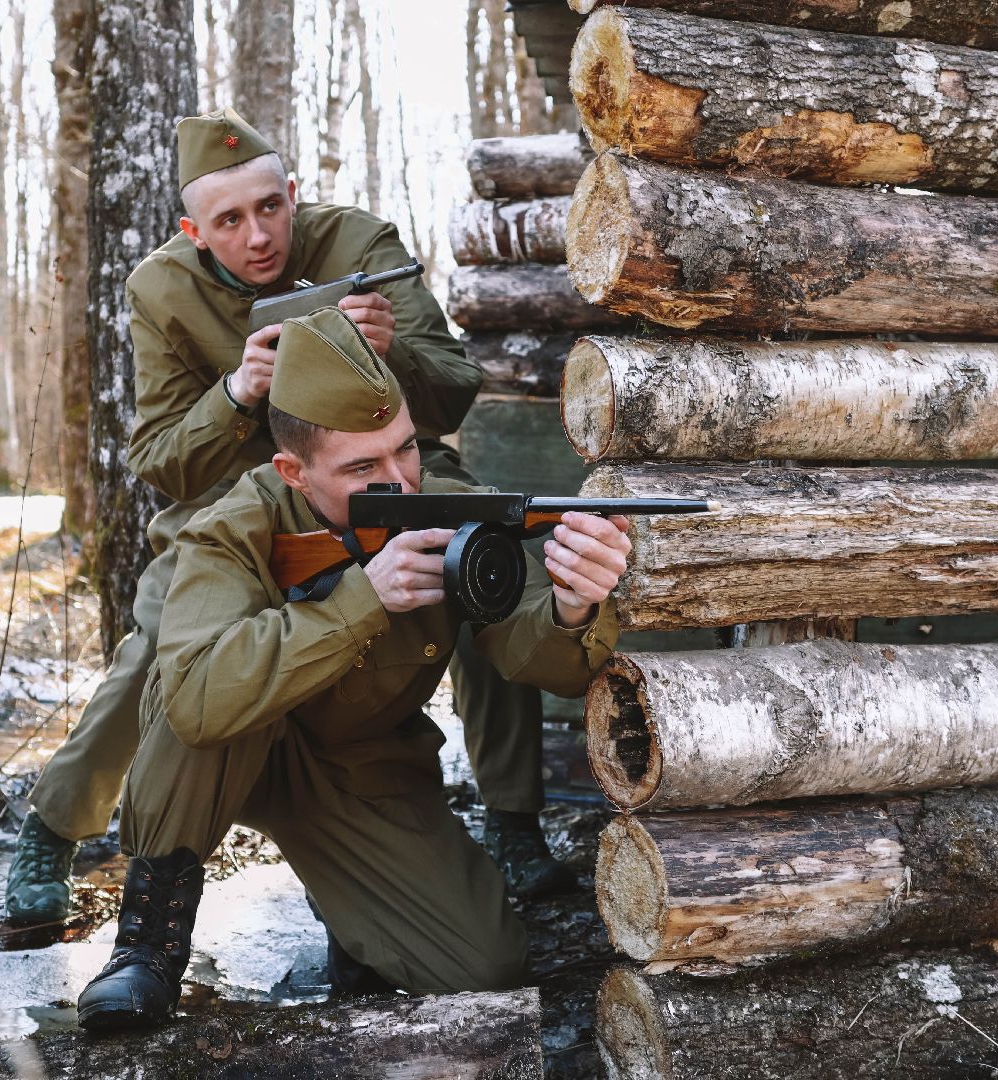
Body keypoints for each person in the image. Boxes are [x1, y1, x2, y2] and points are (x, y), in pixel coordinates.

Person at [5, 107, 573, 926]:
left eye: (270, 208)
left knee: (483, 554)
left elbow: (452, 392)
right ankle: (53, 829)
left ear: (293, 195)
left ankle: (515, 824)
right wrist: (237, 394)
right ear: (193, 230)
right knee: (165, 637)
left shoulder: (360, 245)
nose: (258, 235)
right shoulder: (161, 290)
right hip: (249, 494)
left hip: (380, 473)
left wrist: (393, 353)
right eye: (229, 221)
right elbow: (162, 461)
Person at [75, 307, 630, 1031]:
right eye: (364, 468)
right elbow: (196, 701)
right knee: (196, 692)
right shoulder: (232, 528)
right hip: (229, 753)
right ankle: (146, 948)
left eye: (405, 449)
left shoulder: (450, 510)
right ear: (292, 472)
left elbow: (537, 659)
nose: (400, 481)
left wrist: (574, 605)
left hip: (360, 772)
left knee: (486, 967)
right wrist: (360, 601)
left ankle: (352, 914)